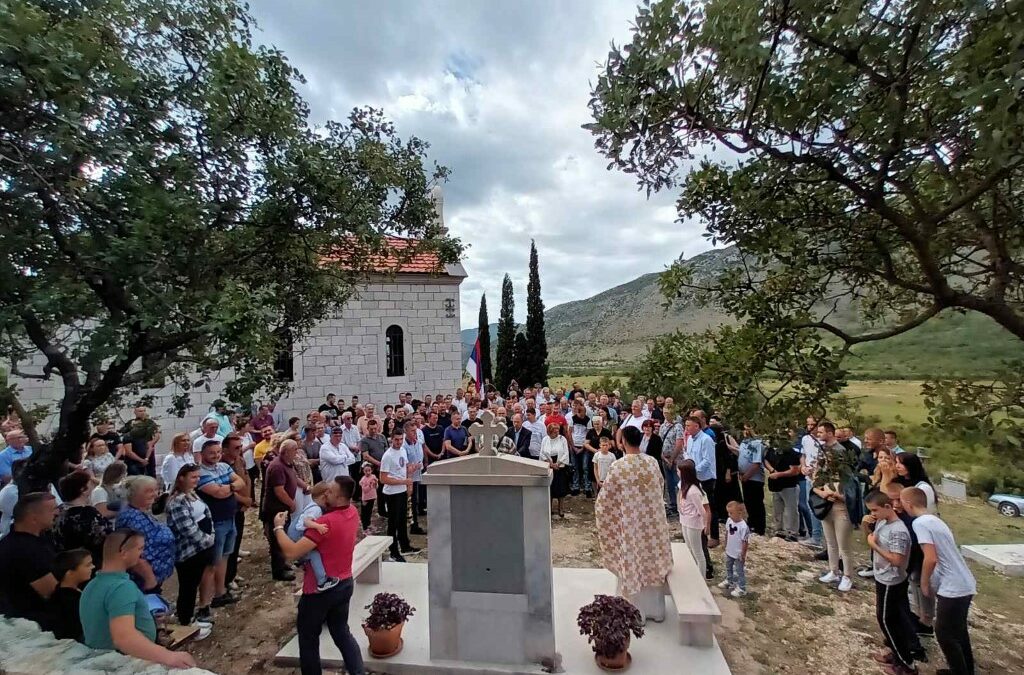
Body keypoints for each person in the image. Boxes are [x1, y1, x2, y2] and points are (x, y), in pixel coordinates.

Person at [272, 477, 365, 675]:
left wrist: (278, 527)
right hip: (345, 582)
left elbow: (291, 552)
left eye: (330, 492)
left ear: (339, 497)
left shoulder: (325, 523)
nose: (325, 494)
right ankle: (358, 671)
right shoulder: (352, 512)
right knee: (341, 632)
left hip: (319, 591)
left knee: (308, 638)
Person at [80, 530, 195, 669]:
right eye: (140, 548)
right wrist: (169, 657)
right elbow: (124, 637)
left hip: (102, 659)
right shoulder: (121, 587)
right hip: (124, 662)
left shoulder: (92, 585)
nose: (143, 554)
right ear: (123, 552)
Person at [595, 426, 673, 623]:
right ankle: (655, 610)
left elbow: (605, 500)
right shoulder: (652, 462)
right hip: (653, 524)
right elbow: (660, 486)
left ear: (623, 443)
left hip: (631, 524)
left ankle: (635, 613)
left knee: (633, 561)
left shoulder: (619, 466)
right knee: (651, 561)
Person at [903, 486, 976, 675]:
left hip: (954, 587)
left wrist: (925, 583)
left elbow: (931, 557)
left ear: (908, 504)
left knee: (944, 634)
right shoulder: (935, 519)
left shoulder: (920, 523)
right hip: (964, 581)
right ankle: (965, 670)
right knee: (959, 632)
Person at [863, 490, 919, 675]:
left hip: (891, 580)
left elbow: (897, 560)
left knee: (887, 620)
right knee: (889, 618)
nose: (873, 514)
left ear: (888, 507)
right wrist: (868, 528)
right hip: (882, 576)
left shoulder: (898, 531)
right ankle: (896, 654)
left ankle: (906, 664)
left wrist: (874, 546)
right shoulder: (881, 521)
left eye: (875, 510)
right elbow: (873, 538)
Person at [165, 464, 215, 636]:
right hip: (190, 551)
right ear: (181, 478)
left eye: (198, 477)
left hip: (203, 546)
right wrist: (208, 540)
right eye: (193, 477)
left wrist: (211, 534)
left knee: (198, 580)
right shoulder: (177, 502)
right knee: (188, 586)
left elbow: (206, 515)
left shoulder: (192, 494)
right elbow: (187, 530)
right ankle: (186, 621)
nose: (197, 480)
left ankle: (196, 614)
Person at [812, 421, 861, 593]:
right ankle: (834, 570)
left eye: (821, 432)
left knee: (843, 545)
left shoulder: (842, 457)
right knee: (830, 541)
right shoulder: (823, 453)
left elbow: (851, 490)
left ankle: (848, 575)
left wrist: (837, 496)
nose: (818, 435)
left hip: (841, 507)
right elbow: (815, 481)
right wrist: (823, 493)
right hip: (826, 504)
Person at [0, 492, 59, 625]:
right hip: (33, 622)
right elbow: (53, 593)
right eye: (52, 510)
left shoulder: (36, 540)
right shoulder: (25, 550)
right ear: (33, 518)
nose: (57, 513)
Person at [114, 476, 176, 592]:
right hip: (144, 582)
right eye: (149, 491)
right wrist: (150, 580)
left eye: (155, 490)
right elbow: (135, 554)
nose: (155, 494)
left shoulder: (140, 511)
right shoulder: (131, 518)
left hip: (154, 578)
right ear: (133, 494)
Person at [54, 470, 113, 567]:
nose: (93, 486)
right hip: (88, 564)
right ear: (83, 489)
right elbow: (105, 539)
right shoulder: (88, 513)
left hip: (65, 562)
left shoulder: (58, 511)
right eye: (90, 483)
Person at [262, 439, 302, 581]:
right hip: (276, 508)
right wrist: (291, 504)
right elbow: (279, 491)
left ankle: (283, 563)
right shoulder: (277, 467)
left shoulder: (287, 463)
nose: (297, 452)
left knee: (283, 535)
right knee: (277, 539)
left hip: (283, 507)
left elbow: (294, 478)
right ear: (285, 452)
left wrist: (305, 486)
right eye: (294, 449)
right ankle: (278, 571)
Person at [380, 429, 420, 562]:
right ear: (391, 439)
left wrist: (409, 482)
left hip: (402, 490)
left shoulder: (402, 450)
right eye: (396, 440)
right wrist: (403, 481)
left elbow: (406, 466)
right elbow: (383, 478)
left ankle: (405, 545)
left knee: (402, 521)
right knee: (393, 523)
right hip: (392, 493)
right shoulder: (387, 456)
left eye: (400, 439)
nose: (398, 442)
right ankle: (393, 551)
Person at [685, 415, 719, 545]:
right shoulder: (690, 439)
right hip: (693, 477)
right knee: (696, 505)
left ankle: (714, 536)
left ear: (697, 426)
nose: (686, 428)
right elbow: (688, 454)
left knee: (709, 506)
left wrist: (694, 470)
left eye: (688, 425)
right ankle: (699, 531)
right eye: (686, 425)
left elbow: (707, 460)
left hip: (706, 478)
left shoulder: (706, 439)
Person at [50, 547, 93, 641]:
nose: (93, 567)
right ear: (70, 573)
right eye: (88, 565)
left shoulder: (74, 592)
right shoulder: (67, 601)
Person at [764, 439, 803, 541]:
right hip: (775, 485)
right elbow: (766, 459)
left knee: (791, 509)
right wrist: (772, 470)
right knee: (777, 508)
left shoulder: (790, 452)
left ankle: (793, 533)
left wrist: (779, 474)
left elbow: (795, 471)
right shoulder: (772, 449)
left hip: (789, 485)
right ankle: (779, 530)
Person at [677, 460, 710, 579]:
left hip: (693, 524)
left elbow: (703, 511)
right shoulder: (683, 486)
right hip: (684, 520)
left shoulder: (694, 491)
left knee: (698, 552)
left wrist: (706, 526)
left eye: (679, 470)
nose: (677, 472)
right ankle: (693, 575)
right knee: (689, 548)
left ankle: (702, 579)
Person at [734, 423, 766, 535]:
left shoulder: (757, 444)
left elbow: (756, 463)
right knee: (748, 502)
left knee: (756, 502)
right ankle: (751, 523)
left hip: (754, 478)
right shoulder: (744, 442)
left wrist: (747, 475)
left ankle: (759, 527)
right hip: (744, 477)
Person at [718, 501, 750, 597]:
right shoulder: (729, 521)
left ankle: (742, 588)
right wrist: (726, 543)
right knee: (728, 566)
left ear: (739, 513)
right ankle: (729, 580)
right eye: (728, 513)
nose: (729, 515)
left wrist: (743, 554)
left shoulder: (743, 527)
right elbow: (727, 532)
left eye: (731, 513)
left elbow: (745, 541)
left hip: (738, 552)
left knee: (739, 570)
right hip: (730, 550)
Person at [540, 422, 571, 518]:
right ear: (549, 432)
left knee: (561, 489)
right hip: (549, 465)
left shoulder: (562, 439)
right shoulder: (545, 439)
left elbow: (566, 452)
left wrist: (558, 463)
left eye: (557, 431)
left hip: (560, 466)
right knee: (550, 488)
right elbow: (542, 453)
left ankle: (560, 508)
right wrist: (550, 464)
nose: (556, 433)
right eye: (554, 432)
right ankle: (550, 508)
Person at [359, 419, 388, 518]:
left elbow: (386, 450)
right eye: (371, 429)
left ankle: (383, 509)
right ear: (367, 428)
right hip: (372, 469)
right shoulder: (364, 440)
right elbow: (366, 456)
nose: (374, 431)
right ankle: (370, 513)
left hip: (383, 467)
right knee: (372, 491)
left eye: (375, 428)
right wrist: (378, 463)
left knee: (383, 489)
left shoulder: (382, 437)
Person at [401, 421, 426, 535]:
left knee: (415, 501)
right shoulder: (403, 446)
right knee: (409, 502)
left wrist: (421, 463)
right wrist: (412, 466)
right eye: (412, 431)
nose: (415, 433)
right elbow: (403, 463)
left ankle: (414, 524)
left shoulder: (418, 442)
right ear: (406, 432)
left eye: (415, 430)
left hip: (417, 475)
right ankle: (410, 524)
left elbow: (420, 455)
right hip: (407, 478)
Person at [569, 401, 593, 497]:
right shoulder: (573, 419)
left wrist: (583, 447)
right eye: (579, 412)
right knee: (574, 467)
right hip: (574, 444)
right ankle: (576, 486)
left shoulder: (587, 420)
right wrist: (572, 446)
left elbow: (588, 435)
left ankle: (587, 487)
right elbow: (569, 432)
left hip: (584, 446)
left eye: (582, 412)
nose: (581, 414)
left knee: (585, 467)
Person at [358, 462, 378, 532]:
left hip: (372, 497)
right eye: (366, 471)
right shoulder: (363, 479)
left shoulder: (373, 476)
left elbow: (376, 487)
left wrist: (375, 483)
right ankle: (364, 527)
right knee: (365, 512)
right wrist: (370, 485)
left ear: (371, 470)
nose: (368, 472)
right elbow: (364, 490)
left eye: (369, 470)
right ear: (363, 471)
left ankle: (368, 524)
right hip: (366, 498)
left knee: (369, 511)